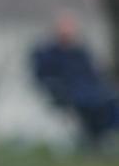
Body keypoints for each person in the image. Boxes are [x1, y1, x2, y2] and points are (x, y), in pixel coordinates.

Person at [31, 11, 119, 144]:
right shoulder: (47, 53)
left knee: (110, 101)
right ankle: (93, 137)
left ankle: (101, 136)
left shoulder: (80, 52)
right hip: (69, 92)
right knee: (91, 104)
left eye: (70, 28)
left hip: (90, 90)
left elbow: (94, 74)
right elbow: (43, 76)